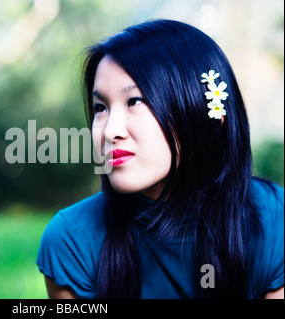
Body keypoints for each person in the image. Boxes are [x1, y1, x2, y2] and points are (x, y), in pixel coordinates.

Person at [36, 19, 284, 299]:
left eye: (134, 101)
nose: (110, 131)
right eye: (100, 107)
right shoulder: (72, 240)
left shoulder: (274, 223)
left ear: (202, 111)